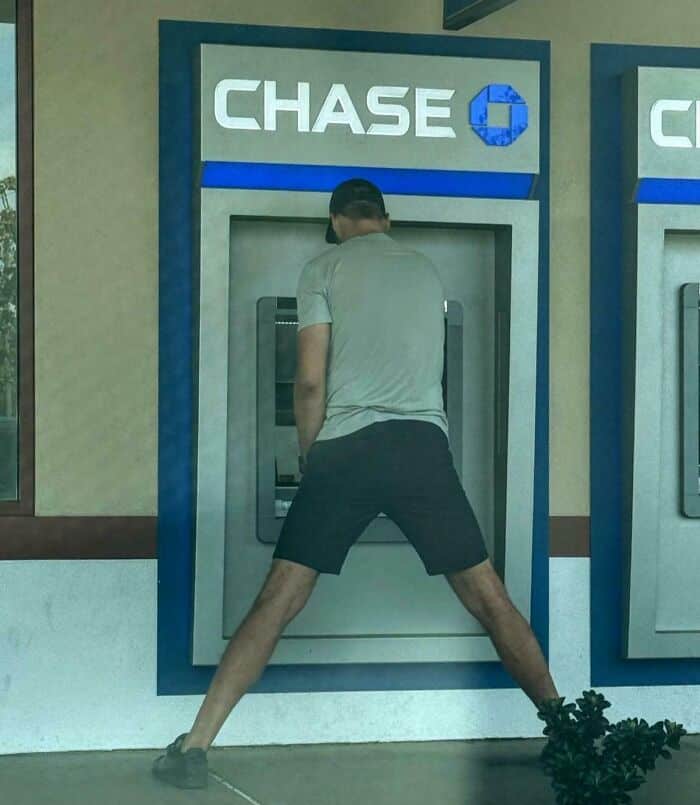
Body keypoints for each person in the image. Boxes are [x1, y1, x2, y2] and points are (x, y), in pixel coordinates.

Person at [152, 178, 560, 789]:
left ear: (336, 219)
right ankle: (567, 727)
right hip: (423, 447)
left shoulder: (323, 268)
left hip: (348, 447)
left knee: (279, 599)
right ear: (385, 218)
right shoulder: (426, 270)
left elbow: (309, 382)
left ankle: (194, 747)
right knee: (487, 596)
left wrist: (314, 454)